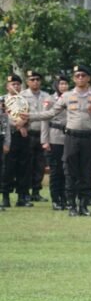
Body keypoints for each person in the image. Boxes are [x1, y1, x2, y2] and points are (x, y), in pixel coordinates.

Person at [21, 65, 91, 216]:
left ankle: (84, 206)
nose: (80, 78)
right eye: (77, 76)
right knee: (70, 172)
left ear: (88, 78)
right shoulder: (66, 96)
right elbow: (51, 113)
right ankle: (72, 205)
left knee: (86, 173)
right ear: (74, 79)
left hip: (88, 138)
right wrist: (30, 116)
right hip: (71, 137)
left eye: (83, 75)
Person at [1, 74, 33, 208]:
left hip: (23, 137)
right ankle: (5, 197)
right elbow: (3, 118)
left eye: (18, 84)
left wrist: (24, 124)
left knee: (24, 167)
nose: (15, 86)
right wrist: (17, 125)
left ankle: (22, 197)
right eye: (13, 84)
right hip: (9, 136)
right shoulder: (2, 100)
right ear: (7, 86)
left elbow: (29, 114)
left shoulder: (24, 100)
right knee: (7, 168)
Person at [20, 70, 50, 202]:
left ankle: (36, 191)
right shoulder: (21, 96)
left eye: (37, 79)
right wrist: (21, 126)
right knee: (26, 164)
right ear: (27, 81)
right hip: (27, 133)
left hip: (42, 134)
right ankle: (25, 192)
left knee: (40, 164)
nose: (35, 82)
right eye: (32, 79)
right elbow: (16, 114)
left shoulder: (47, 96)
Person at [41, 75, 70, 210]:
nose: (64, 86)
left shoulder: (71, 98)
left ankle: (65, 198)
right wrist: (45, 140)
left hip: (68, 138)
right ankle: (55, 199)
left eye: (66, 83)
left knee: (66, 170)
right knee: (55, 170)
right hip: (54, 137)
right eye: (61, 83)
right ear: (56, 85)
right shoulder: (50, 100)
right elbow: (45, 120)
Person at [0, 95, 10, 211]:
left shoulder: (4, 115)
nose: (2, 105)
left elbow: (7, 131)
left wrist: (7, 144)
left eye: (3, 103)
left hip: (1, 140)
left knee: (2, 171)